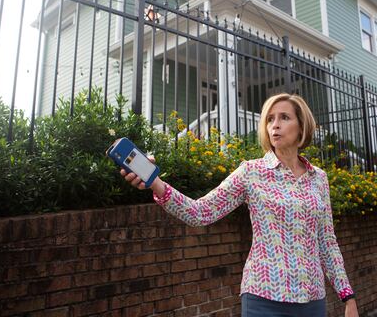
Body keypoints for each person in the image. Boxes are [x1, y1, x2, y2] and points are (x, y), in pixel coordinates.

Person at [121, 93, 359, 317]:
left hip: (312, 300)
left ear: (302, 127)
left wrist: (347, 296)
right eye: (270, 119)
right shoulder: (251, 172)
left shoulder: (319, 178)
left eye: (284, 117)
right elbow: (200, 212)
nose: (275, 125)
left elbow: (327, 242)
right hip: (264, 298)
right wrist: (156, 184)